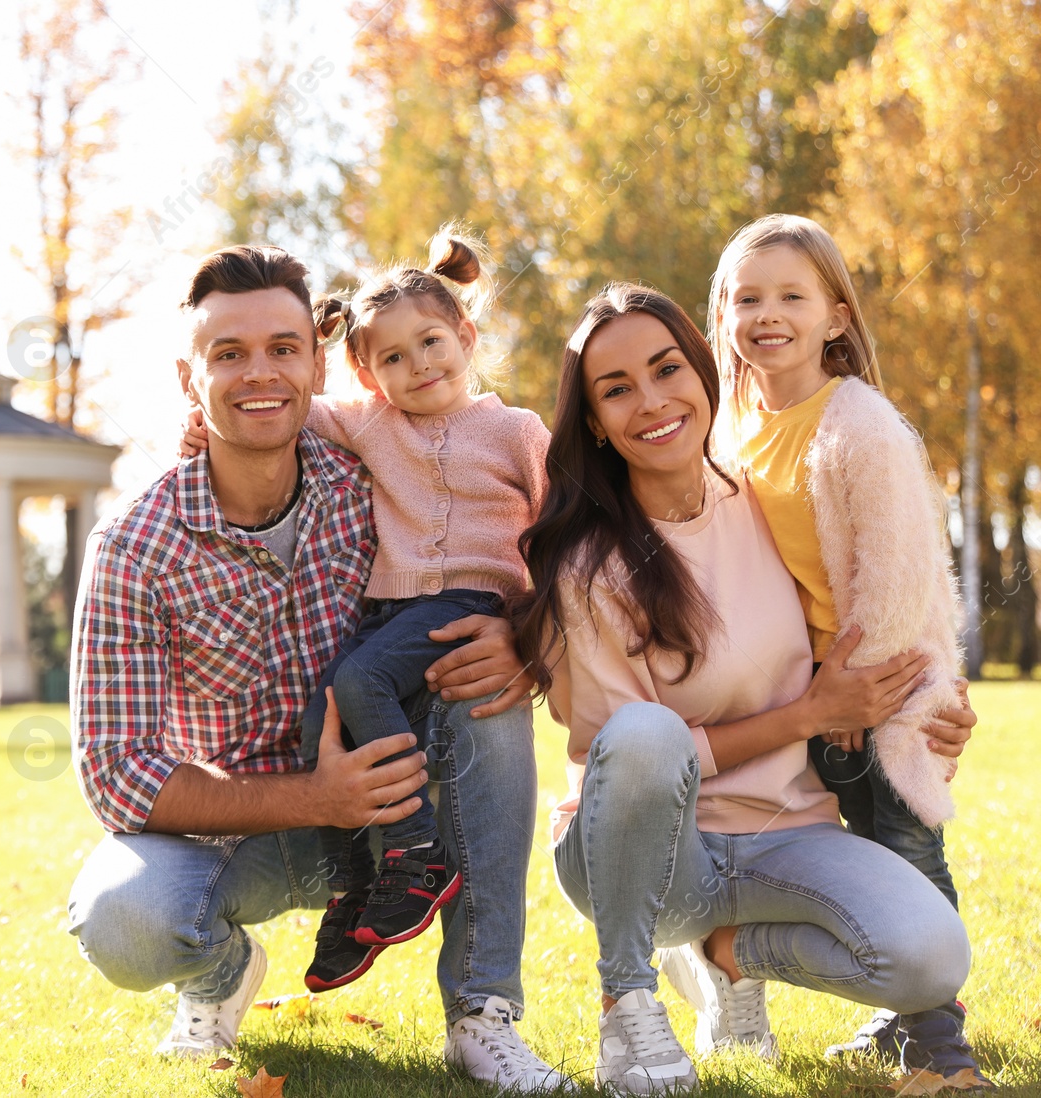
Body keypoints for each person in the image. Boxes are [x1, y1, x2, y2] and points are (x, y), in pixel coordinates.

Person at [67, 244, 566, 1092]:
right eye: (228, 354)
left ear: (319, 365)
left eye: (282, 349)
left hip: (401, 798)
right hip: (244, 830)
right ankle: (222, 975)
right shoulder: (134, 547)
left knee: (481, 681)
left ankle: (482, 1015)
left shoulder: (369, 476)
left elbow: (531, 534)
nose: (259, 374)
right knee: (124, 918)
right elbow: (118, 777)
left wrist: (532, 642)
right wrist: (317, 797)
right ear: (190, 377)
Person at [513, 282, 977, 1093]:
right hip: (650, 861)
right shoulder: (589, 570)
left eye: (667, 370)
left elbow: (867, 608)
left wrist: (932, 698)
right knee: (647, 734)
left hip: (787, 835)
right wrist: (808, 715)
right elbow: (627, 764)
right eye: (616, 390)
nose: (651, 402)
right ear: (592, 422)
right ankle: (628, 1003)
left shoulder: (764, 500)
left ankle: (726, 956)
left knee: (932, 957)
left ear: (703, 374)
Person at [178, 226, 548, 992]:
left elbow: (566, 530)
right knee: (326, 720)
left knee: (359, 686)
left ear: (467, 335)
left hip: (469, 599)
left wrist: (536, 624)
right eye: (392, 358)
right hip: (390, 612)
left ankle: (415, 852)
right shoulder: (371, 424)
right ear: (364, 370)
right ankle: (354, 889)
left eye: (432, 343)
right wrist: (196, 424)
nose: (418, 367)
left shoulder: (516, 431)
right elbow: (278, 407)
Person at [705, 214, 989, 1085]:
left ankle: (941, 1048)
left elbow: (902, 577)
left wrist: (869, 703)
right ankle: (905, 1021)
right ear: (722, 314)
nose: (767, 315)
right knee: (865, 852)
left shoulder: (857, 424)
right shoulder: (736, 429)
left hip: (878, 690)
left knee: (903, 853)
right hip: (808, 698)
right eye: (747, 297)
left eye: (792, 295)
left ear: (836, 316)